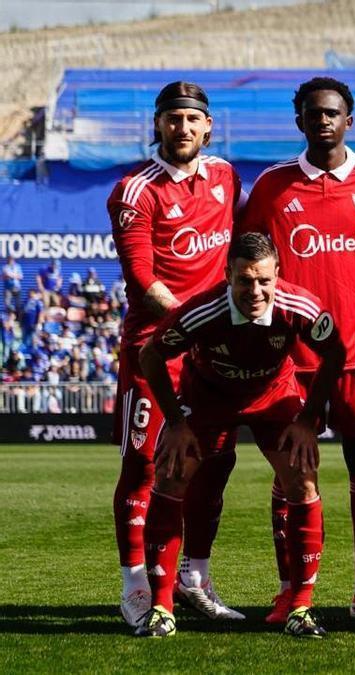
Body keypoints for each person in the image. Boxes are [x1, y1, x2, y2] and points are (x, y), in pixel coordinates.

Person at [238, 76, 355, 624]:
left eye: (332, 112)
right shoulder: (272, 186)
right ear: (299, 120)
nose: (322, 120)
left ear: (349, 120)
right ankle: (290, 586)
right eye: (312, 113)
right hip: (287, 359)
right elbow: (247, 263)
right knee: (290, 477)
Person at [134, 233, 346, 638]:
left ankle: (300, 607)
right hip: (208, 397)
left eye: (264, 281)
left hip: (273, 395)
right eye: (245, 280)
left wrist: (308, 419)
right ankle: (162, 607)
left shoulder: (298, 306)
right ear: (228, 274)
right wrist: (176, 423)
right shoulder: (202, 311)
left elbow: (335, 352)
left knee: (302, 479)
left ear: (277, 275)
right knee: (171, 475)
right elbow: (150, 355)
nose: (256, 291)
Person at [106, 81, 243, 627]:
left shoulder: (227, 177)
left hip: (213, 353)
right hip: (155, 350)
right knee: (143, 465)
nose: (182, 127)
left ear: (208, 126)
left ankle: (194, 576)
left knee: (215, 465)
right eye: (172, 118)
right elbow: (141, 277)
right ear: (158, 124)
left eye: (192, 119)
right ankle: (135, 586)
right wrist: (194, 323)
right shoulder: (134, 190)